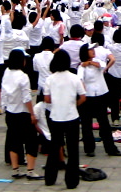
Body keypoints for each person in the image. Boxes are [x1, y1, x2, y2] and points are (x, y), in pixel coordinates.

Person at [45, 50, 86, 189]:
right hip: (71, 116)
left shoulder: (50, 78)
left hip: (55, 117)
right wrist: (72, 104)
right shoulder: (74, 78)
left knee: (54, 148)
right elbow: (83, 97)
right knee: (73, 150)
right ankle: (72, 181)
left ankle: (50, 178)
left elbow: (47, 99)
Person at [1, 49, 42, 180]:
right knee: (31, 141)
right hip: (23, 112)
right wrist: (32, 113)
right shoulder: (23, 76)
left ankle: (15, 169)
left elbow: (3, 92)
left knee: (14, 140)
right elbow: (27, 98)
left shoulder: (6, 72)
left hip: (11, 111)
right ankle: (30, 170)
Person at [77, 43, 121, 157]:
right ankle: (89, 148)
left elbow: (101, 66)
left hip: (100, 95)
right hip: (88, 96)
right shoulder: (81, 67)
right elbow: (80, 79)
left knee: (104, 123)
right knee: (87, 124)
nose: (93, 51)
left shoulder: (98, 61)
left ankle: (110, 148)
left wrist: (90, 63)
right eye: (90, 50)